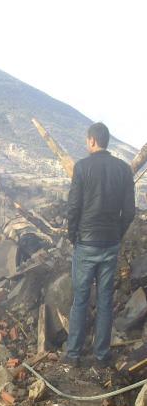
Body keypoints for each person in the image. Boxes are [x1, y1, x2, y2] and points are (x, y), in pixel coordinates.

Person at [63, 122, 135, 368]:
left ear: (92, 141)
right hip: (110, 243)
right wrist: (118, 233)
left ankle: (73, 354)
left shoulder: (82, 168)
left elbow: (73, 207)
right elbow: (129, 212)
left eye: (87, 141)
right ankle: (102, 356)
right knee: (105, 300)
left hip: (86, 243)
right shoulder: (124, 170)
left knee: (81, 299)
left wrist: (73, 236)